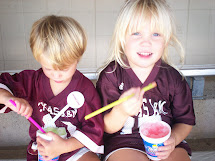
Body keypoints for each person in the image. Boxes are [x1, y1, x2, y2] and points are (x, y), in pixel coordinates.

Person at [96, 0, 195, 161]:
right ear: (122, 38)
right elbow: (105, 127)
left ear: (167, 39)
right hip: (123, 142)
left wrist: (174, 139)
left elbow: (185, 121)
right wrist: (121, 110)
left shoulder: (174, 78)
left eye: (156, 34)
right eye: (136, 33)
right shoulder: (112, 74)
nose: (146, 42)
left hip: (166, 141)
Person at [0, 15, 104, 161]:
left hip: (75, 149)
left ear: (77, 58)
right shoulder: (32, 81)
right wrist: (9, 98)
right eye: (49, 68)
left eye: (64, 68)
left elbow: (93, 130)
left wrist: (64, 146)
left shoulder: (85, 89)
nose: (57, 75)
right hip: (43, 149)